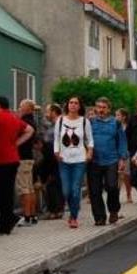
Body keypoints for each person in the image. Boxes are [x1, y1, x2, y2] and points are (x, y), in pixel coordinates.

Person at [0, 96, 33, 236]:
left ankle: (7, 221)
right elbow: (29, 130)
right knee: (7, 192)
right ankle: (7, 222)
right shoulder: (13, 118)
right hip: (12, 159)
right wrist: (16, 143)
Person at [54, 97, 93, 228]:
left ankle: (74, 216)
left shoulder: (84, 121)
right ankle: (73, 209)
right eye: (71, 102)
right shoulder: (60, 120)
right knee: (66, 191)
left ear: (80, 106)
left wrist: (89, 152)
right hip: (64, 160)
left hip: (79, 160)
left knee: (75, 190)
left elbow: (90, 139)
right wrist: (56, 152)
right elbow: (56, 139)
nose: (73, 105)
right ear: (67, 105)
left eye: (76, 103)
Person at [88, 97, 128, 225]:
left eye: (104, 107)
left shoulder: (115, 123)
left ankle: (114, 210)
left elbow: (122, 141)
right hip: (94, 161)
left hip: (111, 159)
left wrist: (122, 158)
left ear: (109, 109)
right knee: (95, 190)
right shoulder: (90, 122)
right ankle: (99, 217)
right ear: (95, 108)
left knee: (111, 186)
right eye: (98, 107)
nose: (101, 110)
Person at [36, 103, 64, 219]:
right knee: (53, 184)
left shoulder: (60, 124)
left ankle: (56, 210)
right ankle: (56, 209)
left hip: (55, 158)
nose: (46, 114)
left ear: (53, 112)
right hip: (51, 157)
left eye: (48, 111)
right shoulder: (53, 124)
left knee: (54, 184)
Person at [16, 100, 39, 225]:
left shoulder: (24, 122)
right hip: (29, 158)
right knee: (30, 188)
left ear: (28, 109)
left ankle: (27, 216)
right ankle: (33, 214)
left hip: (22, 158)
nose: (19, 109)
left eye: (21, 107)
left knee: (24, 188)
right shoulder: (33, 122)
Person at [115, 108, 134, 204]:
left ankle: (128, 194)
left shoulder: (128, 127)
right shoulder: (113, 126)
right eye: (115, 115)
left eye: (118, 115)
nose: (116, 117)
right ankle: (116, 196)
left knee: (126, 175)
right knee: (118, 176)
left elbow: (131, 139)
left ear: (124, 117)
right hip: (115, 154)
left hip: (126, 153)